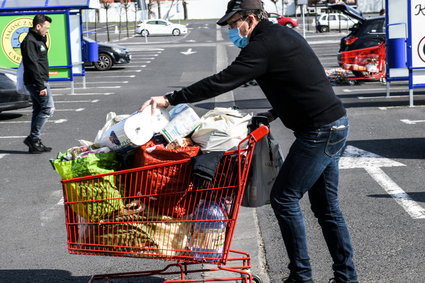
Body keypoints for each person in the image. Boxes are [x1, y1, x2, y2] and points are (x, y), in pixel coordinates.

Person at [139, 0, 358, 282]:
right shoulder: (280, 35)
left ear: (250, 18)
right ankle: (346, 277)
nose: (231, 30)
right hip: (331, 124)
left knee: (284, 198)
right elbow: (301, 83)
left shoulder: (263, 45)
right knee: (326, 208)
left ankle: (301, 277)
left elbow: (223, 80)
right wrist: (272, 113)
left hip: (320, 132)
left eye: (234, 23)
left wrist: (171, 98)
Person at [21, 14, 54, 154]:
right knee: (47, 108)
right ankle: (33, 138)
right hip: (36, 82)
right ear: (38, 26)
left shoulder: (38, 39)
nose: (47, 31)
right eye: (46, 28)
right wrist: (41, 86)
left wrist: (43, 36)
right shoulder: (29, 41)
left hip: (39, 80)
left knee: (38, 110)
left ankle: (35, 142)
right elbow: (32, 65)